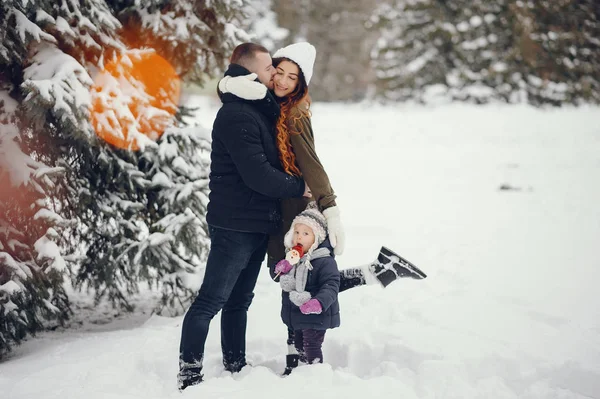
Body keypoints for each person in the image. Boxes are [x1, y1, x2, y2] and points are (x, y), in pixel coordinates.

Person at [219, 41, 427, 374]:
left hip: (294, 211)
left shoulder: (295, 113)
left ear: (302, 84)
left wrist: (330, 210)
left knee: (299, 281)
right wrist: (227, 83)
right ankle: (378, 271)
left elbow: (312, 166)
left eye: (292, 77)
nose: (284, 81)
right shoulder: (267, 100)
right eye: (279, 72)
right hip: (276, 207)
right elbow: (237, 85)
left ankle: (300, 357)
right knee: (295, 279)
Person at [177, 43, 312, 390]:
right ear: (251, 73)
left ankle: (235, 363)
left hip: (255, 223)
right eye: (270, 69)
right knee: (211, 300)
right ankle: (189, 372)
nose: (275, 75)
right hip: (234, 225)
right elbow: (258, 175)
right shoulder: (237, 114)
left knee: (239, 302)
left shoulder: (257, 108)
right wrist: (300, 187)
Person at [274, 202, 340, 368]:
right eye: (296, 232)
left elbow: (332, 285)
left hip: (317, 314)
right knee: (299, 345)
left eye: (305, 233)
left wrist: (318, 302)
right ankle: (305, 373)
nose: (299, 237)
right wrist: (284, 269)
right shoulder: (295, 259)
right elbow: (290, 280)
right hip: (298, 314)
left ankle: (316, 371)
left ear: (317, 238)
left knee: (312, 346)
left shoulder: (324, 260)